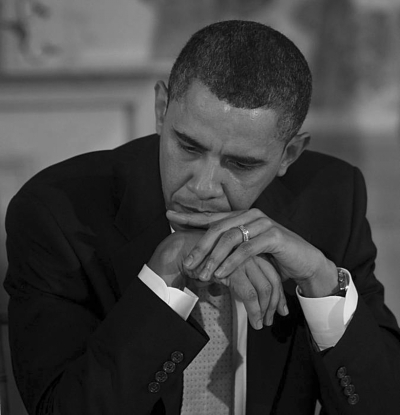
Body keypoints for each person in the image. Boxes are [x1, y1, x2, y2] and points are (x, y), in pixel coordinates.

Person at [4, 20, 400, 415]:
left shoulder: (331, 198)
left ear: (289, 155)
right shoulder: (57, 215)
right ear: (161, 109)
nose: (204, 186)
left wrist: (321, 282)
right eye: (189, 147)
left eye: (241, 164)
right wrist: (166, 275)